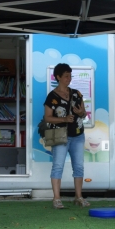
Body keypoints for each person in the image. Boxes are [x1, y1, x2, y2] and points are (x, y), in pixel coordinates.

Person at [44, 63, 90, 209]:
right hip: (60, 136)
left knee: (79, 167)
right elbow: (48, 118)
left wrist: (81, 113)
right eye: (66, 76)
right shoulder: (52, 96)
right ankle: (56, 199)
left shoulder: (76, 93)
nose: (69, 79)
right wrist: (64, 119)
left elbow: (84, 113)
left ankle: (79, 197)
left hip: (78, 135)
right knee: (58, 166)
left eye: (70, 76)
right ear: (57, 77)